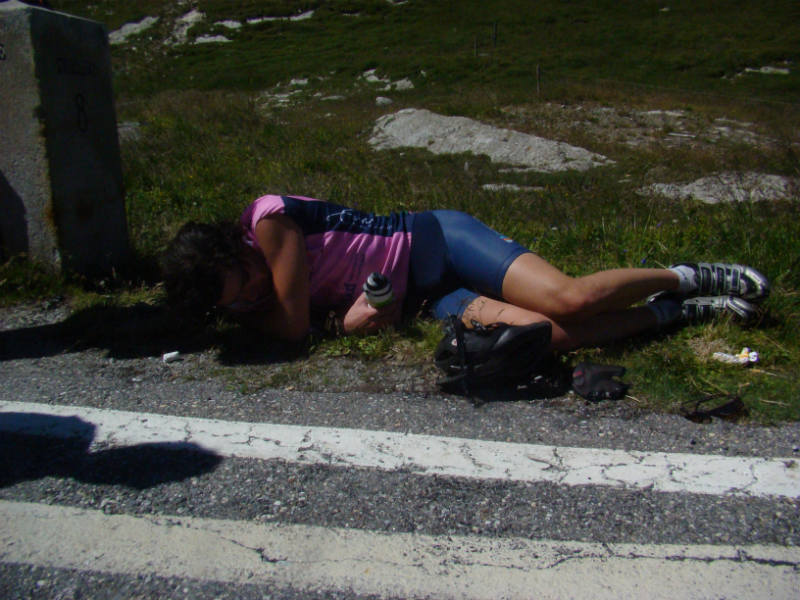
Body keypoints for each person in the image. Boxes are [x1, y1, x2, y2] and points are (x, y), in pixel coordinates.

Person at [161, 194, 770, 351]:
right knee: (541, 335)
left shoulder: (268, 222)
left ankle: (683, 276)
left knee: (568, 299)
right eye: (239, 297)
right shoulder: (233, 297)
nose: (255, 289)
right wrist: (352, 323)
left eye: (248, 277)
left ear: (232, 247)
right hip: (427, 296)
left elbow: (293, 327)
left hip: (437, 242)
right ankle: (673, 315)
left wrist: (327, 327)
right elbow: (297, 319)